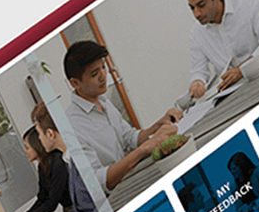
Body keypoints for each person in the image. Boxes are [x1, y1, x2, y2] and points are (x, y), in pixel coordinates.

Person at [62, 40, 181, 193]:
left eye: (103, 67)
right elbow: (96, 182)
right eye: (94, 73)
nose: (103, 75)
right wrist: (143, 150)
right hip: (119, 195)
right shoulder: (72, 125)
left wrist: (157, 125)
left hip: (132, 180)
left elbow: (129, 138)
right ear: (75, 83)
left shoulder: (103, 102)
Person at [32, 102, 102, 212]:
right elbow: (81, 204)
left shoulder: (81, 158)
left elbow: (103, 206)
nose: (39, 139)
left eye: (39, 134)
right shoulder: (67, 160)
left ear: (50, 134)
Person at [9, 125, 73, 212]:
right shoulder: (42, 166)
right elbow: (42, 198)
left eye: (27, 147)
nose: (25, 151)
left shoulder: (58, 162)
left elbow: (51, 204)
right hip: (69, 211)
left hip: (78, 209)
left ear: (37, 146)